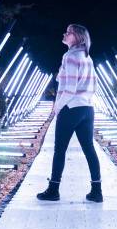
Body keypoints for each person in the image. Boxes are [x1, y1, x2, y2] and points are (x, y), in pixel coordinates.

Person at [36, 24, 102, 202]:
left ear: (78, 37)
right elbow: (93, 86)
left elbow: (69, 89)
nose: (65, 34)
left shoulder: (70, 57)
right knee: (89, 149)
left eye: (69, 32)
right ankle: (97, 191)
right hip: (87, 109)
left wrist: (57, 107)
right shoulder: (88, 58)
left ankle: (53, 190)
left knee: (59, 150)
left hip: (71, 108)